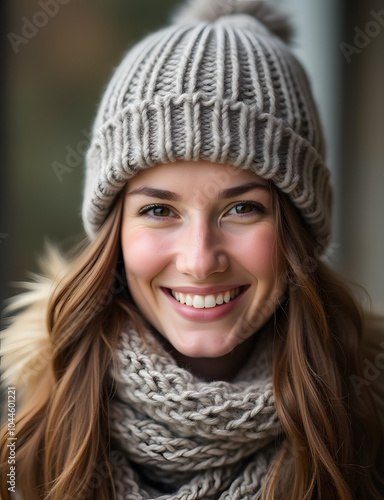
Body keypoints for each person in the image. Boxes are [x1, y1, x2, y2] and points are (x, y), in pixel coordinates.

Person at [1, 1, 384, 499]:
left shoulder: (369, 425)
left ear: (299, 228)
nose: (200, 261)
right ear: (114, 233)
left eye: (243, 209)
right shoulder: (24, 427)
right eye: (160, 211)